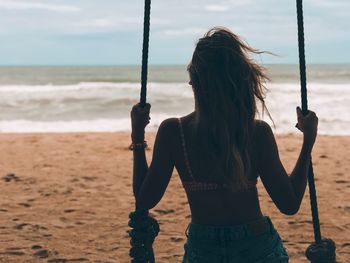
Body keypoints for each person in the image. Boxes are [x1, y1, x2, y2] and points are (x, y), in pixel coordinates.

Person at [130, 27, 318, 263]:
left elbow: (145, 200)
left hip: (204, 251)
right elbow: (289, 204)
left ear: (193, 79)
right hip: (257, 248)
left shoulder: (174, 132)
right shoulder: (257, 133)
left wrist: (137, 135)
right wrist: (308, 140)